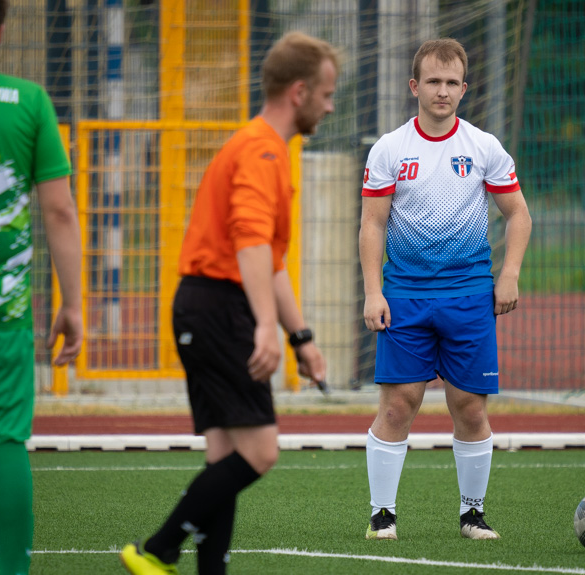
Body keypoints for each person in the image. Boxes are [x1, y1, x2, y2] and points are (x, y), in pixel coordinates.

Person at [120, 31, 338, 575]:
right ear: (299, 91)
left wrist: (301, 338)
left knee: (225, 456)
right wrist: (266, 325)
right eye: (328, 93)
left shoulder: (264, 146)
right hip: (219, 307)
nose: (331, 106)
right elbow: (249, 242)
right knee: (260, 452)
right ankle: (156, 549)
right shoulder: (263, 149)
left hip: (208, 306)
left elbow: (271, 260)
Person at [360, 38, 531, 541]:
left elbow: (518, 213)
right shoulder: (390, 148)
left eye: (451, 82)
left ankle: (472, 515)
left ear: (464, 88)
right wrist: (374, 292)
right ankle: (382, 516)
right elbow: (372, 225)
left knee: (471, 407)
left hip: (470, 297)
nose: (442, 91)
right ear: (414, 86)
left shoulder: (483, 147)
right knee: (397, 405)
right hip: (405, 297)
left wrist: (510, 274)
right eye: (432, 81)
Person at [0, 1, 84, 573]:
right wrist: (73, 304)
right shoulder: (29, 101)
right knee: (4, 442)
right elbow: (59, 211)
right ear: (2, 30)